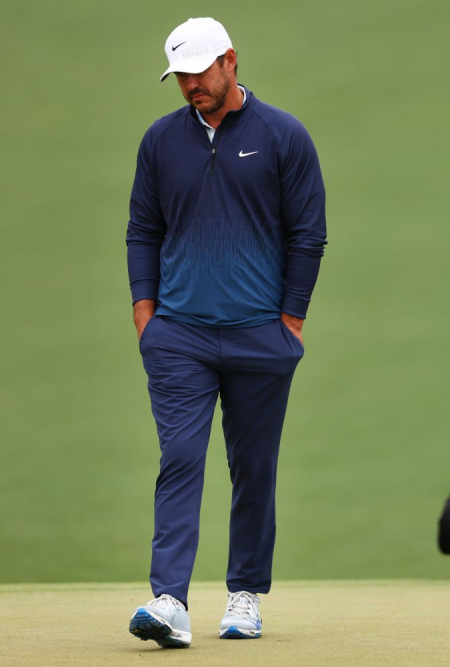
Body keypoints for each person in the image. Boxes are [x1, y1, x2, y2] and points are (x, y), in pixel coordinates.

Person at [125, 17, 326, 646]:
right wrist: (145, 315)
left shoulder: (282, 136)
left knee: (253, 467)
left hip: (259, 337)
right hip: (178, 336)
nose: (190, 86)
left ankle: (244, 596)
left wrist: (289, 322)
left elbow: (308, 235)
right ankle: (169, 601)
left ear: (231, 62)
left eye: (200, 72)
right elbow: (142, 230)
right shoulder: (160, 142)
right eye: (180, 76)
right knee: (180, 460)